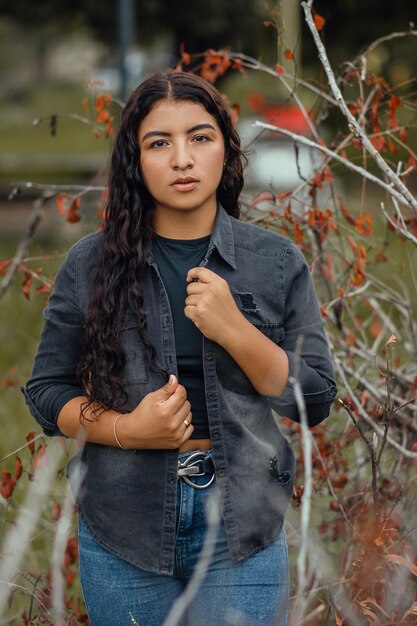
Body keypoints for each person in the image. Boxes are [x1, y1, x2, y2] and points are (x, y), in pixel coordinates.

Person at [23, 70, 337, 626]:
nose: (182, 159)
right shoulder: (90, 265)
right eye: (159, 143)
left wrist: (236, 330)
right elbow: (47, 391)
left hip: (242, 524)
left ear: (226, 150)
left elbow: (312, 398)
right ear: (135, 160)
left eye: (200, 137)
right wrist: (127, 429)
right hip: (125, 522)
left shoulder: (275, 262)